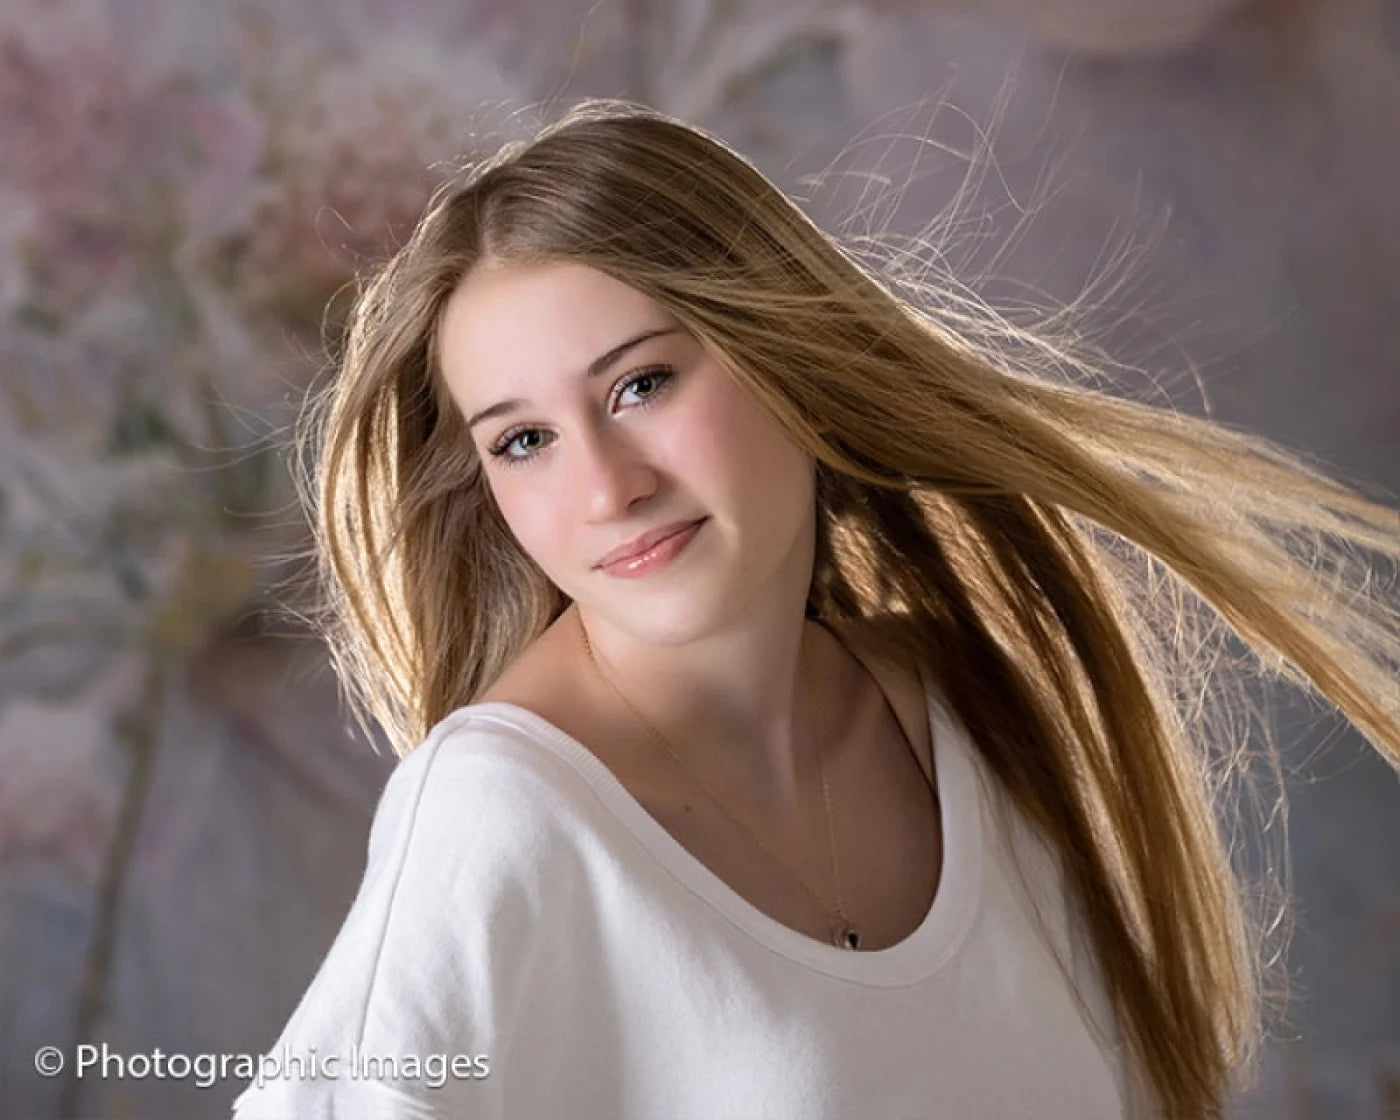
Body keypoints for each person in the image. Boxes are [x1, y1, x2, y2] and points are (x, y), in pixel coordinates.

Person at [231, 98, 1400, 1119]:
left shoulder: (972, 710)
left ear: (781, 353)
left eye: (642, 383)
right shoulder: (500, 809)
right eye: (523, 440)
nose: (605, 486)